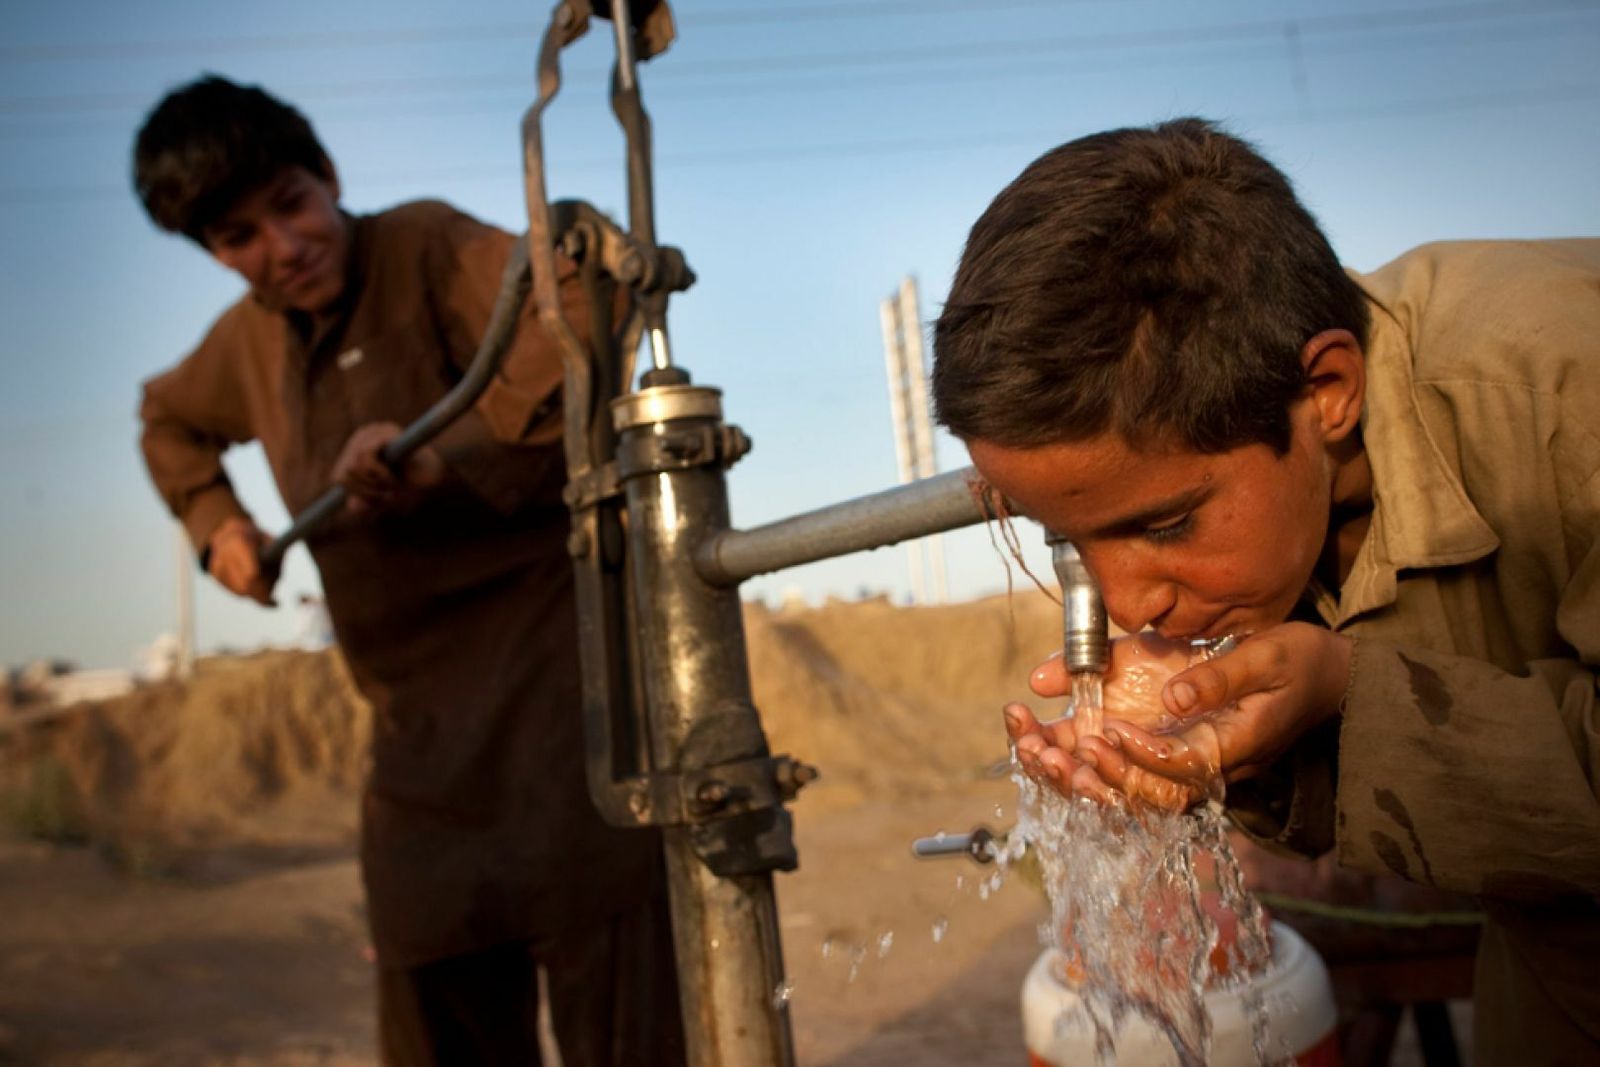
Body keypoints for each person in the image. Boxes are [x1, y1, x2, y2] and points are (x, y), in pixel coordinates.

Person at [931, 117, 1599, 1063]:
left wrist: (1347, 696)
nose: (1128, 606)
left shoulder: (1567, 393)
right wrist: (1253, 745)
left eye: (1165, 526)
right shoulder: (1267, 507)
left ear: (1327, 389)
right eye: (1068, 536)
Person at [133, 75, 683, 1066]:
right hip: (416, 763)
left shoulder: (424, 245)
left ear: (329, 176)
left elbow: (575, 315)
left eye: (291, 204)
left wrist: (444, 452)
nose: (282, 246)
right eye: (239, 237)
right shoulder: (244, 343)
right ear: (211, 252)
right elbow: (166, 418)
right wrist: (219, 526)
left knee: (627, 1029)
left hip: (565, 717)